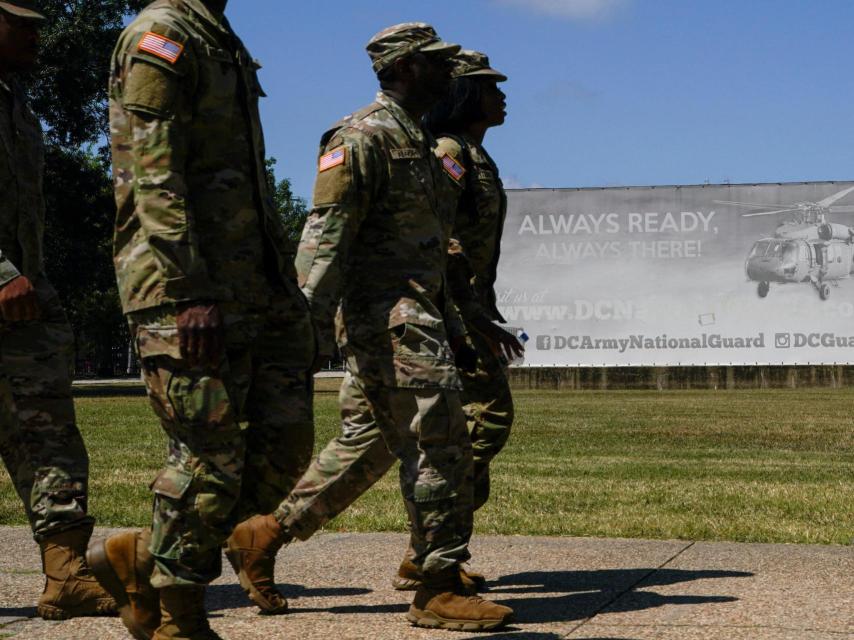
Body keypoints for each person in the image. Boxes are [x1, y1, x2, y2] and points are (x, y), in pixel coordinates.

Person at [225, 23, 514, 631]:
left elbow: (438, 255)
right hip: (387, 321)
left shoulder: (421, 141)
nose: (448, 75)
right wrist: (299, 330)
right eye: (436, 65)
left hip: (425, 317)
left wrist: (464, 326)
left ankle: (264, 535)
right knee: (442, 444)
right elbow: (325, 239)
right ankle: (434, 583)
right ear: (405, 69)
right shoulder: (361, 138)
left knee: (373, 443)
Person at [88, 1, 316, 638]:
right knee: (209, 459)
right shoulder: (161, 35)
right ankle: (178, 621)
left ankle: (142, 554)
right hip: (183, 288)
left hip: (253, 285)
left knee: (282, 450)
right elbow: (151, 172)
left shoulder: (219, 38)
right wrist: (187, 288)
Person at [0, 0, 117, 621]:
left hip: (23, 310)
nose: (35, 35)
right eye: (21, 23)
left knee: (49, 439)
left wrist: (32, 280)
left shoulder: (18, 107)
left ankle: (65, 575)